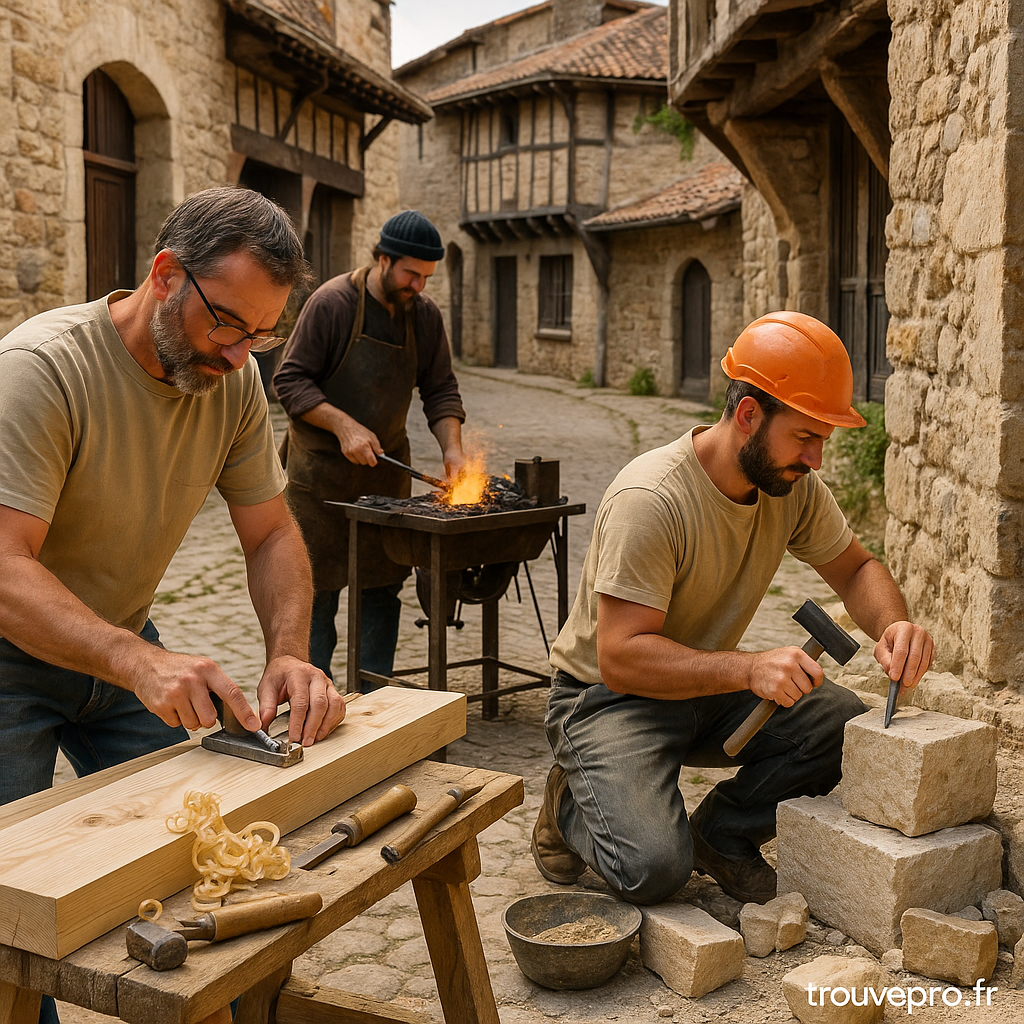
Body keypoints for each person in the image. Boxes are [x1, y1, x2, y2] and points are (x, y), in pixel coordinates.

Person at [532, 311, 935, 907]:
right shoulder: (652, 499)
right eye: (805, 437)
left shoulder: (790, 486)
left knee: (838, 726)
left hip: (702, 687)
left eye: (824, 439)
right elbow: (620, 657)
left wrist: (893, 622)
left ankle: (720, 835)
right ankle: (572, 799)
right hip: (608, 698)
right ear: (749, 414)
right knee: (653, 870)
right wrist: (747, 668)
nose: (818, 459)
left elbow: (855, 568)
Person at [0, 186, 347, 810]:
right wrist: (138, 662)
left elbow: (270, 533)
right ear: (165, 275)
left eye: (263, 336)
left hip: (120, 636)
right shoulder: (41, 369)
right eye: (228, 324)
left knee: (184, 835)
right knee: (13, 876)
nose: (242, 355)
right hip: (10, 648)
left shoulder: (232, 379)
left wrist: (290, 654)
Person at [273, 210, 466, 688]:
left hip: (384, 480)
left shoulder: (424, 317)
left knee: (381, 591)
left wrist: (454, 451)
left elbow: (440, 389)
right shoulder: (333, 303)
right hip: (318, 482)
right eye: (411, 274)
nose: (418, 286)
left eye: (426, 277)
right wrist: (343, 425)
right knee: (316, 594)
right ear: (383, 259)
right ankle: (308, 699)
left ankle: (374, 700)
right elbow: (289, 380)